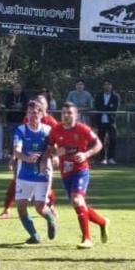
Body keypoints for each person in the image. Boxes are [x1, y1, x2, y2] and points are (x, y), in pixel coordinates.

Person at [47, 103, 109, 249]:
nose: (66, 115)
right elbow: (50, 148)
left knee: (76, 200)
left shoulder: (82, 129)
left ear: (76, 115)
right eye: (64, 113)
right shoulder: (56, 129)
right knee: (79, 204)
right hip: (65, 172)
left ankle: (87, 239)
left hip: (81, 170)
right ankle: (102, 222)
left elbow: (98, 144)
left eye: (69, 113)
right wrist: (56, 153)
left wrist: (86, 154)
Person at [11, 100, 57, 245]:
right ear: (26, 114)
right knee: (21, 206)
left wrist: (49, 157)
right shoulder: (21, 130)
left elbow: (53, 148)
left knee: (40, 207)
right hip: (24, 174)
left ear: (42, 114)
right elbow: (17, 151)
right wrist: (26, 158)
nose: (32, 116)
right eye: (30, 113)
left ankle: (51, 219)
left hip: (42, 174)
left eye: (35, 113)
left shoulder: (48, 130)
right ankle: (34, 235)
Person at [97, 81, 120, 164]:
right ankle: (102, 158)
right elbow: (98, 106)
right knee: (100, 139)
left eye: (109, 85)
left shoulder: (116, 96)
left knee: (113, 139)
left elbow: (114, 108)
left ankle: (111, 157)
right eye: (105, 84)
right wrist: (107, 108)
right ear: (103, 86)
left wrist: (105, 109)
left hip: (111, 121)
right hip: (101, 121)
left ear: (111, 86)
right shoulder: (99, 95)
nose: (107, 86)